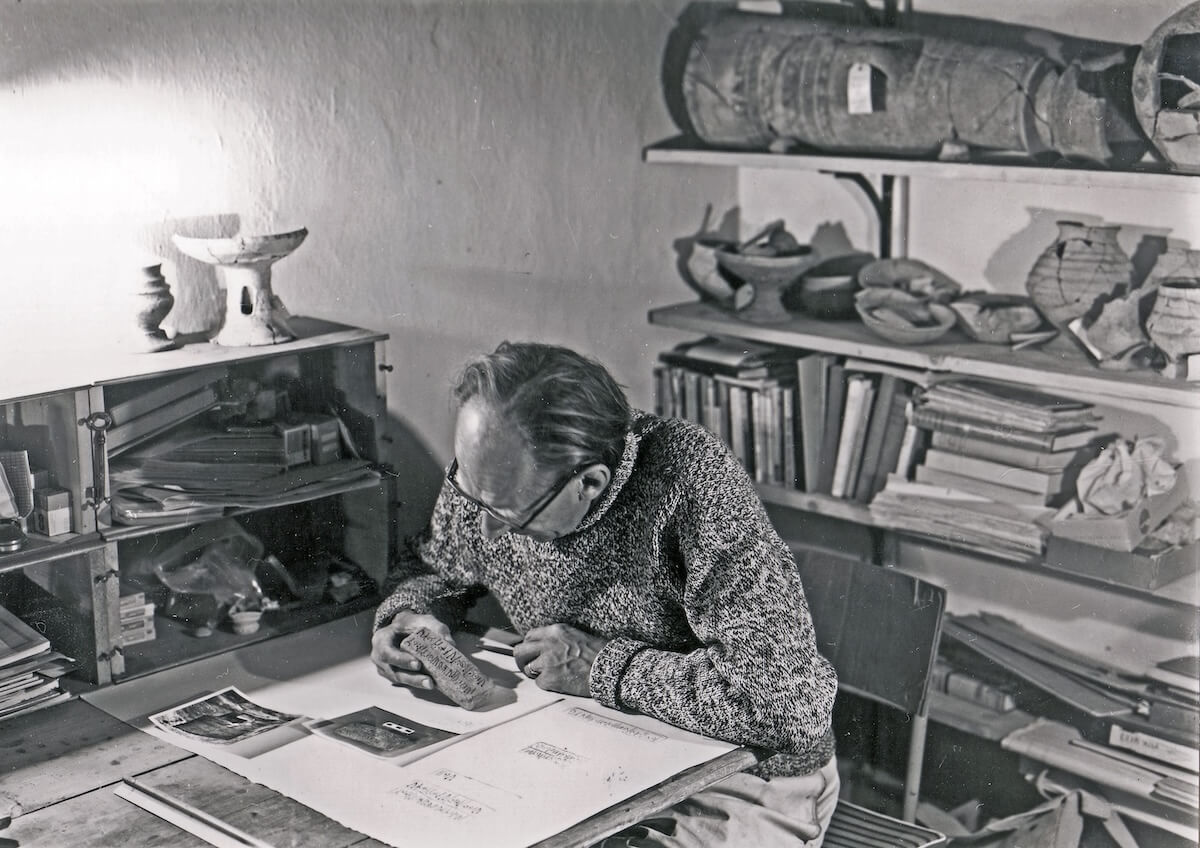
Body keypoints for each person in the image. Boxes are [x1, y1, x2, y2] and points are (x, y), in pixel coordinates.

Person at [370, 341, 839, 847]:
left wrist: (603, 669)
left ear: (589, 482)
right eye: (469, 491)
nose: (481, 532)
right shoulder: (494, 477)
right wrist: (406, 615)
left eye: (508, 515)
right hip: (587, 758)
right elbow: (434, 565)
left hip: (738, 782)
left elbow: (785, 705)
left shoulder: (688, 477)